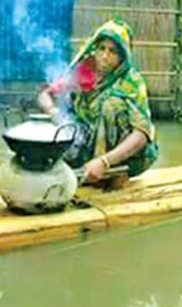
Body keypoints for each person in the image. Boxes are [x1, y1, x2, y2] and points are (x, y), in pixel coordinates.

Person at [38, 20, 158, 184]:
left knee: (111, 104)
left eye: (112, 51)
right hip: (88, 143)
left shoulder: (132, 82)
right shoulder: (85, 70)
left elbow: (141, 134)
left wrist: (104, 161)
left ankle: (110, 172)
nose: (104, 56)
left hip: (125, 157)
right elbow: (45, 94)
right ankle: (88, 167)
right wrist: (55, 113)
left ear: (122, 56)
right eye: (101, 48)